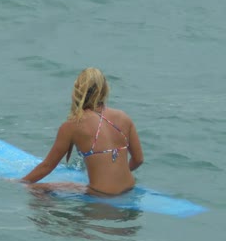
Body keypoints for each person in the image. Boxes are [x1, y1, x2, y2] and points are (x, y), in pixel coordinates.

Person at [20, 67, 144, 196]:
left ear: (77, 91)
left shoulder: (72, 125)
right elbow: (138, 159)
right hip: (129, 190)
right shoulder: (123, 116)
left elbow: (47, 166)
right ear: (105, 90)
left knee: (36, 189)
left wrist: (20, 182)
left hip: (101, 196)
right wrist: (115, 177)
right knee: (70, 186)